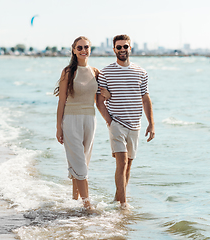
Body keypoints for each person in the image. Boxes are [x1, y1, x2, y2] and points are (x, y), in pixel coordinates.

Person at [96, 34, 155, 208]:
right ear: (114, 49)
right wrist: (110, 121)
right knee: (121, 163)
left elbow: (145, 98)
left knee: (128, 165)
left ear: (130, 48)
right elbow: (99, 100)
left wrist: (151, 123)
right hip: (117, 124)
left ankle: (117, 198)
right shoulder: (106, 72)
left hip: (135, 125)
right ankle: (123, 205)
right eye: (119, 47)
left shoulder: (141, 72)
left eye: (125, 46)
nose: (122, 50)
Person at [55, 36, 110, 209]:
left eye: (86, 47)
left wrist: (111, 119)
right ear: (74, 50)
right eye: (80, 48)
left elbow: (102, 97)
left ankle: (74, 200)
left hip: (90, 120)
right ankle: (88, 206)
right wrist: (58, 127)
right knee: (79, 162)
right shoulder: (68, 72)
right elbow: (61, 101)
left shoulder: (95, 72)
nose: (83, 50)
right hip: (71, 119)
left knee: (83, 161)